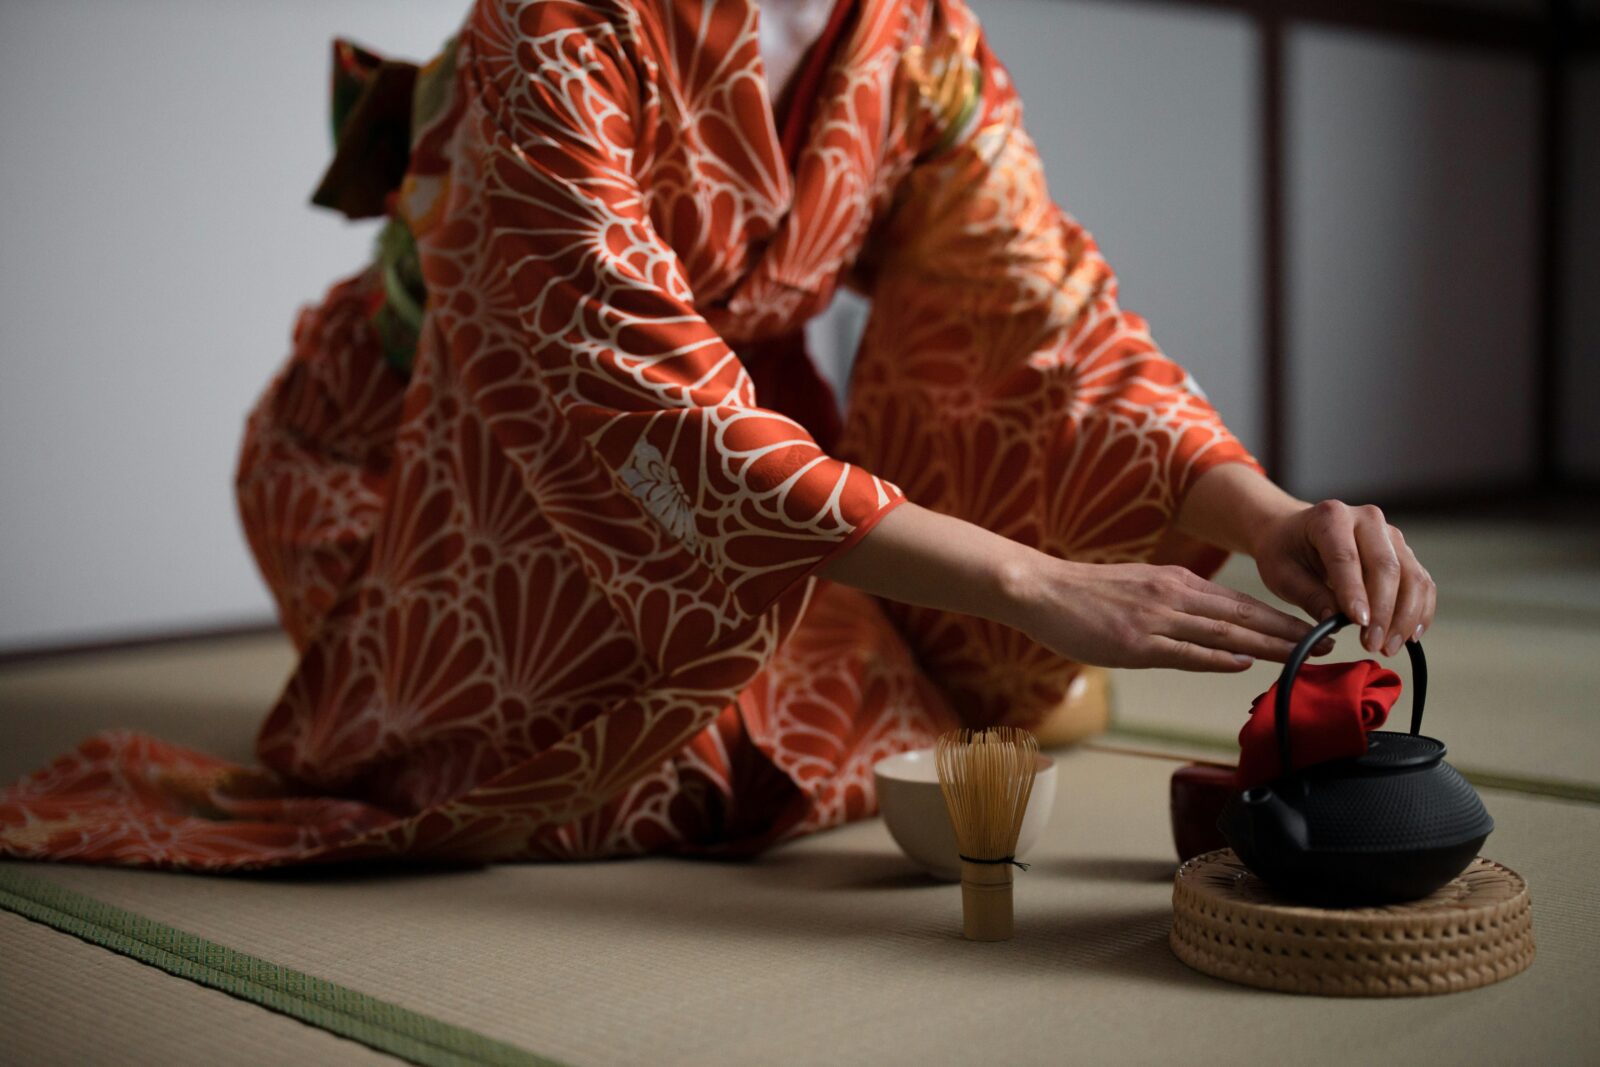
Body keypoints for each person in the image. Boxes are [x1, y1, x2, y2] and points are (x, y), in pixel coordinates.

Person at [0, 0, 1434, 870]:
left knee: (887, 734)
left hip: (724, 451)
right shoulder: (564, 15)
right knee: (702, 777)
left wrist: (1260, 514)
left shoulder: (921, 35)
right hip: (447, 461)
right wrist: (1029, 581)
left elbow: (1037, 317)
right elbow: (603, 370)